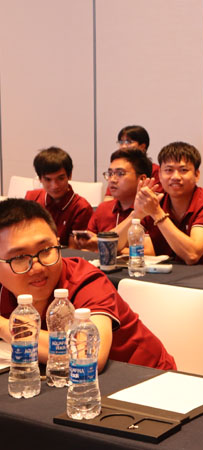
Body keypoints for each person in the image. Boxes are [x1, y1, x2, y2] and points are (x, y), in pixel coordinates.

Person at [0, 199, 176, 371]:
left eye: (46, 250)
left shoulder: (86, 280)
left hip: (147, 378)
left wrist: (3, 326)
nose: (38, 266)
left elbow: (88, 355)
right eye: (19, 257)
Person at [115, 141, 203, 266]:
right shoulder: (156, 200)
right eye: (168, 170)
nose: (175, 177)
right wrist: (137, 214)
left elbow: (192, 255)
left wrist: (157, 213)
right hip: (162, 275)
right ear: (160, 175)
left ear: (197, 175)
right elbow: (112, 246)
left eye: (183, 170)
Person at [74, 149, 153, 251]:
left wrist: (102, 246)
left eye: (120, 173)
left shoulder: (150, 210)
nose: (112, 180)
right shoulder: (103, 208)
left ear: (141, 179)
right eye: (110, 173)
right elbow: (88, 248)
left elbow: (148, 252)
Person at [25, 147, 93, 248]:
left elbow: (73, 251)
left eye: (60, 178)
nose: (55, 186)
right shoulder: (32, 198)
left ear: (69, 176)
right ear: (40, 179)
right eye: (48, 180)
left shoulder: (81, 208)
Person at [104, 125, 161, 200]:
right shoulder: (115, 169)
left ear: (142, 146)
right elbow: (108, 198)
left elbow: (156, 197)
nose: (123, 146)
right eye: (121, 142)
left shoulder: (155, 170)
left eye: (129, 142)